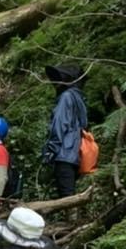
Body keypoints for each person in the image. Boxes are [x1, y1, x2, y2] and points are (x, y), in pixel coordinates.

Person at [43, 63, 87, 197]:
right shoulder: (79, 98)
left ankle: (73, 211)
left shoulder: (66, 97)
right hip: (75, 154)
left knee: (67, 195)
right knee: (69, 192)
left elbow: (59, 125)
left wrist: (51, 150)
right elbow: (84, 124)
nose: (56, 84)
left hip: (64, 153)